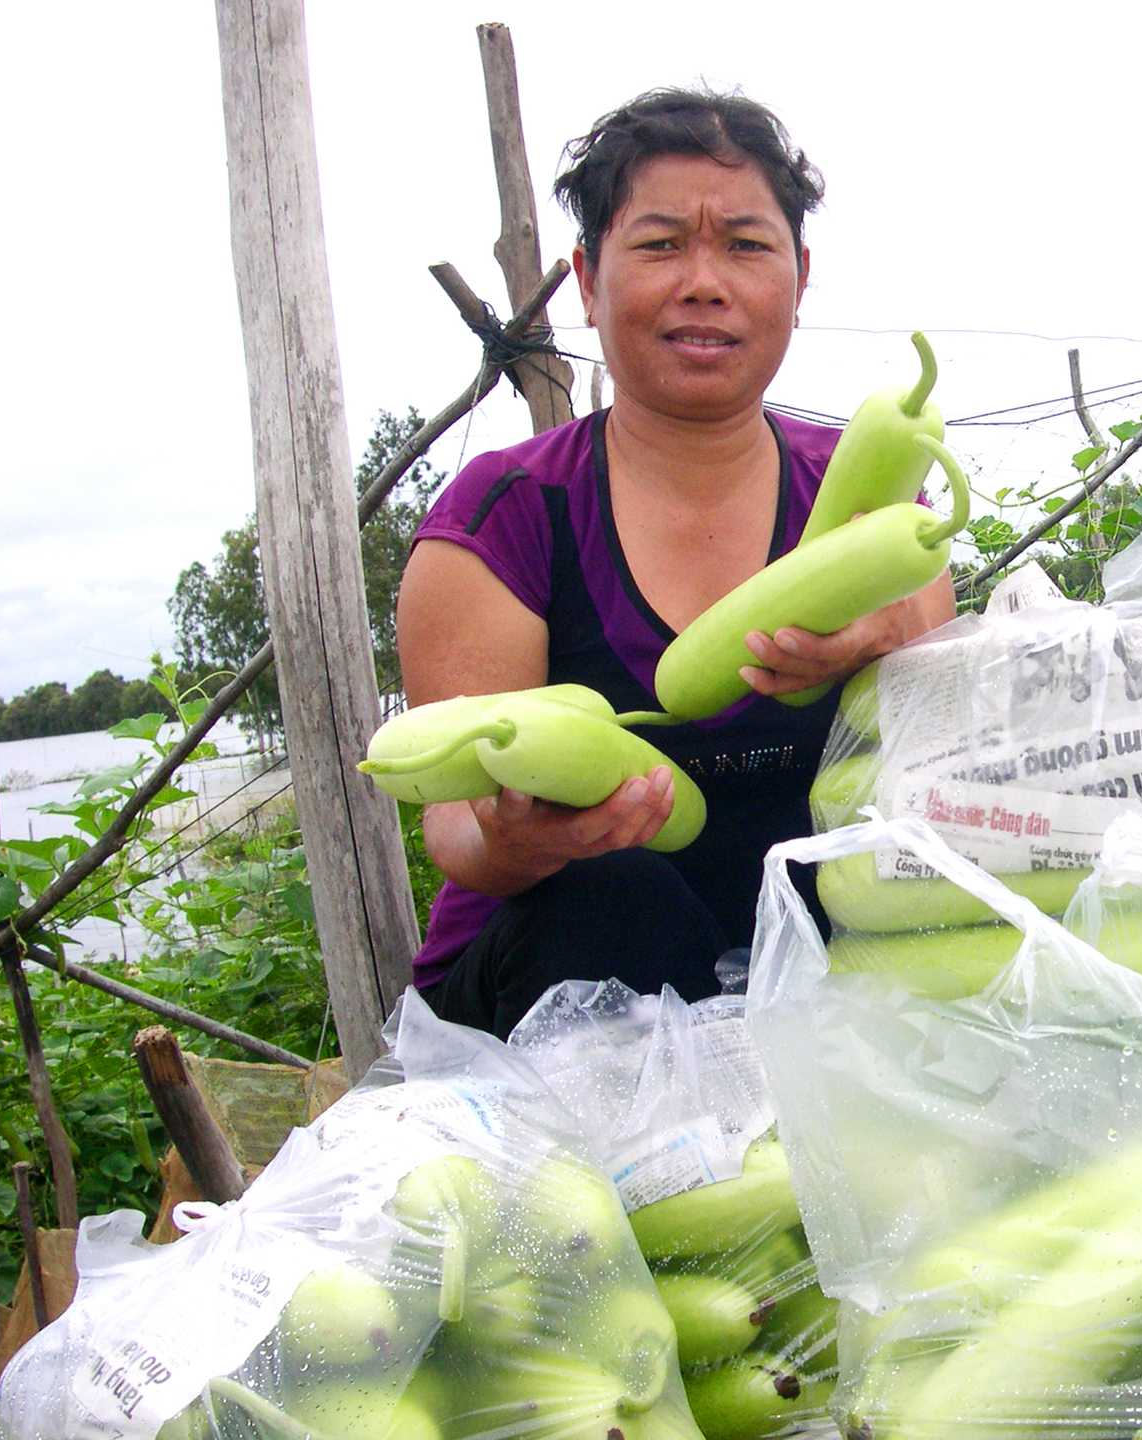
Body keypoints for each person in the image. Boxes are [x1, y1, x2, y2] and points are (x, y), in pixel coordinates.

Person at [395, 88, 955, 1037]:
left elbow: (946, 753)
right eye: (659, 245)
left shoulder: (871, 499)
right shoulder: (504, 517)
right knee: (611, 895)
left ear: (799, 276)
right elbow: (454, 829)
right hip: (557, 989)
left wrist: (894, 637)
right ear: (586, 278)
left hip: (808, 977)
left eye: (745, 244)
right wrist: (512, 834)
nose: (705, 281)